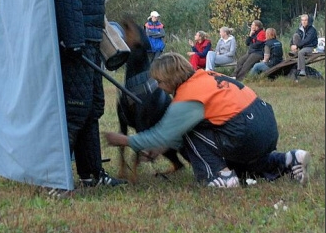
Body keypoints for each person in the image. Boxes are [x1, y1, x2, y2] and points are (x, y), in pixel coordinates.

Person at [105, 52, 311, 188]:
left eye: (159, 81)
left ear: (172, 78)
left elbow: (162, 134)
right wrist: (162, 146)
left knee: (190, 131)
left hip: (245, 131)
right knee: (242, 167)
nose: (158, 86)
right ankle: (288, 159)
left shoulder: (187, 96)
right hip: (265, 125)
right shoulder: (206, 76)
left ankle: (218, 176)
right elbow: (167, 138)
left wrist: (124, 140)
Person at [48, 0, 127, 190]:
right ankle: (55, 177)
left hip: (88, 39)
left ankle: (92, 174)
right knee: (75, 107)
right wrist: (73, 39)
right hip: (76, 42)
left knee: (92, 106)